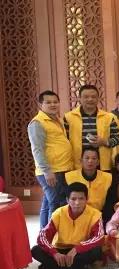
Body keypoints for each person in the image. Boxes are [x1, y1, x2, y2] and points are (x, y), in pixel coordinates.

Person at [31, 182, 104, 269]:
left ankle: (53, 268)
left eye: (81, 199)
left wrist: (77, 249)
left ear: (87, 199)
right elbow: (42, 237)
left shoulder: (95, 214)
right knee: (35, 250)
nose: (77, 203)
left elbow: (98, 237)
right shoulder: (59, 213)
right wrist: (54, 253)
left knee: (97, 251)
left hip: (80, 252)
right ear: (67, 200)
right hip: (60, 250)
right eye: (73, 199)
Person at [28, 90, 74, 227]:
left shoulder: (58, 119)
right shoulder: (37, 123)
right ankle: (51, 235)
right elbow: (37, 149)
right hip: (52, 171)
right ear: (40, 104)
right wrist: (47, 171)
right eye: (48, 102)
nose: (53, 105)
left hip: (63, 167)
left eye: (55, 102)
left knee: (48, 202)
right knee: (56, 204)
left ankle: (44, 233)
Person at [64, 84, 119, 171]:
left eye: (93, 97)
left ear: (98, 98)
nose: (90, 99)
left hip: (102, 165)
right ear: (80, 98)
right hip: (77, 165)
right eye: (86, 97)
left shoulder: (108, 117)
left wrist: (104, 142)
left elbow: (117, 139)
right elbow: (64, 141)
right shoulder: (68, 117)